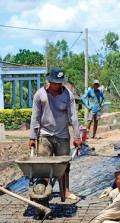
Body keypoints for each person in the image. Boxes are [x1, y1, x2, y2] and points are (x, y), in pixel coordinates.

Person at [29, 67, 82, 201]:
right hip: (44, 135)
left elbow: (73, 117)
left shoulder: (67, 95)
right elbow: (35, 117)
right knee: (44, 165)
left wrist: (77, 137)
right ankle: (44, 191)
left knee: (63, 165)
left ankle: (66, 191)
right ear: (49, 81)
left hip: (62, 135)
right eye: (56, 82)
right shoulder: (40, 95)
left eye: (61, 82)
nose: (58, 85)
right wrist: (32, 137)